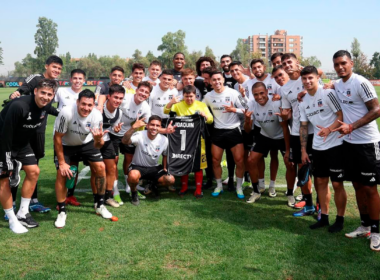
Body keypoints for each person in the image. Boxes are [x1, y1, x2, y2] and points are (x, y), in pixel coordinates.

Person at [331, 50, 380, 251]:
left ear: (351, 63)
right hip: (349, 144)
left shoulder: (360, 82)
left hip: (368, 143)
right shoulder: (338, 84)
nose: (340, 67)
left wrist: (352, 126)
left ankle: (376, 232)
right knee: (358, 186)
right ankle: (364, 225)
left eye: (343, 63)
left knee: (370, 188)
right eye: (336, 64)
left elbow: (376, 110)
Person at [0, 78, 57, 233]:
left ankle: (23, 213)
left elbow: (57, 112)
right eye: (43, 93)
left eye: (49, 94)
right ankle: (12, 220)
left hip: (21, 143)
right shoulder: (19, 106)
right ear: (35, 91)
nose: (45, 97)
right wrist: (6, 161)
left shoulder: (46, 107)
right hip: (3, 141)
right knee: (4, 178)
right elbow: (5, 134)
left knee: (34, 171)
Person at [7, 55, 63, 215]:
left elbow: (49, 108)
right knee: (16, 168)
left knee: (34, 167)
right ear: (46, 66)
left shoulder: (55, 85)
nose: (56, 71)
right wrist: (16, 93)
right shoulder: (36, 78)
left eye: (59, 69)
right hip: (24, 130)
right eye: (54, 67)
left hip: (38, 130)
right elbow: (22, 90)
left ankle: (33, 201)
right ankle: (12, 202)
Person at [53, 89, 112, 228]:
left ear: (93, 105)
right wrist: (62, 163)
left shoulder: (97, 116)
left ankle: (100, 204)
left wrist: (99, 139)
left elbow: (98, 145)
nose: (86, 108)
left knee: (100, 167)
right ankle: (61, 211)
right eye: (83, 104)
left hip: (86, 143)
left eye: (90, 105)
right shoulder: (66, 112)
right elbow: (57, 137)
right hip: (66, 144)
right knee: (62, 173)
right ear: (77, 102)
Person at [299, 66, 347, 232]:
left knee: (337, 183)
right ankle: (324, 217)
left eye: (310, 78)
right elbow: (304, 127)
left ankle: (340, 219)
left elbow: (341, 116)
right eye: (304, 79)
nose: (307, 81)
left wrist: (329, 129)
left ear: (317, 78)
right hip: (317, 147)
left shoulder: (328, 93)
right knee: (320, 181)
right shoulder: (303, 101)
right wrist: (304, 150)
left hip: (335, 145)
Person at [203, 71, 248, 199]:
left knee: (239, 161)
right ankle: (219, 186)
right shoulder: (208, 96)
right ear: (210, 82)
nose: (217, 82)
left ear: (223, 79)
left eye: (219, 79)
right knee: (215, 160)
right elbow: (201, 107)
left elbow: (246, 109)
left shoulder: (233, 93)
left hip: (234, 130)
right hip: (218, 131)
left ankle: (239, 187)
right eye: (214, 80)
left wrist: (234, 110)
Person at [244, 82, 292, 204]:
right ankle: (256, 191)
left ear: (267, 92)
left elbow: (285, 128)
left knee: (289, 163)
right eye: (256, 94)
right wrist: (247, 120)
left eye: (261, 93)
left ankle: (290, 194)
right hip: (265, 135)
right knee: (251, 160)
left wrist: (287, 150)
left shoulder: (276, 104)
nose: (259, 97)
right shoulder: (252, 104)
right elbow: (248, 130)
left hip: (281, 136)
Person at [279, 53, 315, 212]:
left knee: (318, 171)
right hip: (297, 132)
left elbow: (319, 76)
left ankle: (320, 205)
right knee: (302, 168)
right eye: (284, 63)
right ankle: (308, 203)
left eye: (289, 62)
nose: (287, 65)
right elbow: (287, 111)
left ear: (297, 63)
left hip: (316, 130)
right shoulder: (284, 88)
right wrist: (285, 115)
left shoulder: (307, 78)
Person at [164, 85, 213, 198]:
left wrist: (205, 116)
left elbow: (210, 120)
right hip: (183, 140)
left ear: (195, 95)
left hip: (198, 140)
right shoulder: (178, 105)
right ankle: (184, 187)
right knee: (184, 161)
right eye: (186, 97)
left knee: (198, 165)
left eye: (191, 96)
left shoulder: (202, 105)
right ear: (183, 96)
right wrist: (171, 102)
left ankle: (199, 189)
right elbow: (166, 111)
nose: (189, 99)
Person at [109, 82, 152, 205]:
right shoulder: (125, 99)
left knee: (129, 160)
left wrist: (164, 131)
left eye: (146, 92)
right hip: (113, 133)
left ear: (148, 95)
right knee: (114, 162)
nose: (143, 94)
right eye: (141, 90)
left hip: (129, 134)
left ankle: (129, 188)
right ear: (136, 90)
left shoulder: (145, 107)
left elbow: (149, 125)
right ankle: (115, 192)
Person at [121, 115, 176, 204]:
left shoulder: (164, 140)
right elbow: (124, 141)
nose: (154, 127)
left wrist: (165, 167)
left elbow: (165, 155)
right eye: (152, 125)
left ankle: (152, 185)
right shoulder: (140, 135)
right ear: (147, 126)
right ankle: (134, 193)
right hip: (138, 166)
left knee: (170, 180)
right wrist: (133, 127)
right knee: (133, 176)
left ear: (160, 127)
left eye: (157, 125)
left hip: (154, 168)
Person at [53, 69, 86, 207]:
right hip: (61, 137)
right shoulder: (61, 91)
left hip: (77, 137)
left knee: (73, 167)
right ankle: (61, 200)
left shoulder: (86, 96)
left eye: (80, 78)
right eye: (75, 78)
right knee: (61, 169)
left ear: (84, 80)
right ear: (70, 79)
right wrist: (60, 114)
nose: (77, 81)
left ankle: (70, 196)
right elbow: (49, 104)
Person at [248, 59, 281, 195]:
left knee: (275, 155)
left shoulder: (273, 80)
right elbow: (249, 103)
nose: (257, 70)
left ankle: (272, 185)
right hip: (260, 126)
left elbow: (282, 93)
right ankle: (260, 184)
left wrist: (279, 97)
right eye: (254, 68)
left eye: (259, 67)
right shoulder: (248, 82)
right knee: (257, 157)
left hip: (276, 123)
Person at [100, 85, 125, 208]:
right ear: (108, 97)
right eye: (115, 97)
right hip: (92, 141)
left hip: (106, 140)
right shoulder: (99, 109)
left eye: (120, 98)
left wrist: (115, 129)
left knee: (112, 168)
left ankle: (108, 197)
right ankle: (97, 198)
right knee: (97, 170)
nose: (118, 100)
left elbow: (113, 128)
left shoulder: (119, 112)